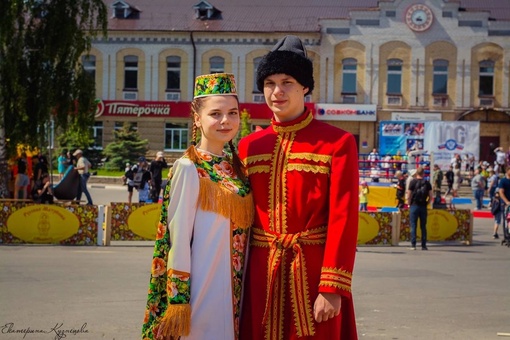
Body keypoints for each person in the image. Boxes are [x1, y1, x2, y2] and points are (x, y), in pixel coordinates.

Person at [238, 35, 358, 339]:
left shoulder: (338, 143)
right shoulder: (248, 146)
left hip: (313, 270)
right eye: (269, 83)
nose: (277, 92)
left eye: (287, 82)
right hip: (260, 273)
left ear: (305, 86)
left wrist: (332, 287)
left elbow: (344, 218)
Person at [141, 73, 254, 340]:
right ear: (197, 118)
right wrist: (179, 300)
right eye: (215, 113)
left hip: (237, 292)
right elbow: (176, 242)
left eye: (233, 112)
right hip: (202, 291)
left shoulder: (238, 171)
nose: (226, 121)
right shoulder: (188, 167)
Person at [406, 167, 433, 250]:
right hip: (423, 206)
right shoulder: (427, 183)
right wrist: (427, 203)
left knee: (413, 225)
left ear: (416, 173)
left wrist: (409, 204)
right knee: (423, 226)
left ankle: (413, 245)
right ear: (423, 173)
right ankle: (423, 245)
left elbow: (409, 195)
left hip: (414, 205)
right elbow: (431, 196)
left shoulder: (412, 182)